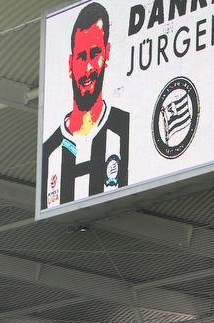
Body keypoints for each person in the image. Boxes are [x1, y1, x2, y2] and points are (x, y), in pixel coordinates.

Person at [41, 2, 129, 210]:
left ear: (107, 54)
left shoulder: (126, 127)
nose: (88, 67)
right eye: (81, 57)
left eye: (95, 53)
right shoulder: (48, 151)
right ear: (70, 64)